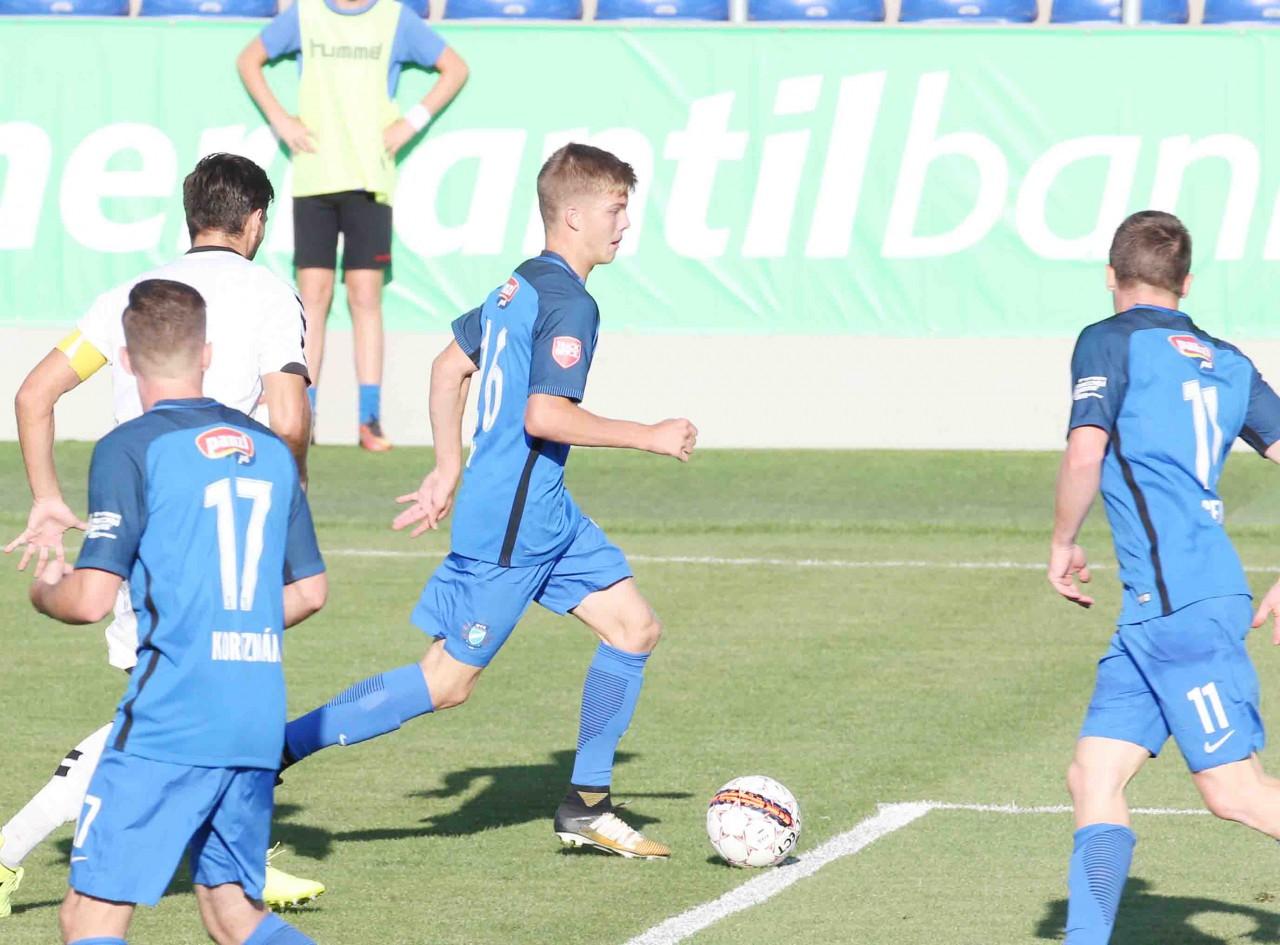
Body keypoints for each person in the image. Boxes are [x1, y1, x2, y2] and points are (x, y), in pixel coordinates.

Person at [276, 144, 698, 858]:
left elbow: (449, 368)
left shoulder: (518, 285)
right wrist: (648, 436)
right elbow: (544, 415)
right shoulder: (570, 302)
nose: (625, 224)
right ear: (572, 215)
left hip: (546, 512)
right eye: (616, 209)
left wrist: (448, 467)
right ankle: (271, 753)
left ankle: (587, 806)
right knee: (445, 682)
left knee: (634, 627)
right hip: (512, 523)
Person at [0, 153, 321, 916]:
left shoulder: (133, 296)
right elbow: (288, 417)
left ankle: (232, 856)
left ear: (191, 217)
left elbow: (34, 393)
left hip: (140, 514)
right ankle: (11, 849)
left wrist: (47, 497)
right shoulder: (271, 295)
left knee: (188, 693)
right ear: (256, 222)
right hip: (216, 523)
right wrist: (288, 497)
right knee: (166, 702)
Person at [1049, 210, 1280, 944]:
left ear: (1111, 275)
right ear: (1186, 282)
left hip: (1184, 609)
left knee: (1236, 792)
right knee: (1092, 775)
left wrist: (1062, 541)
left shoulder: (1109, 340)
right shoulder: (1228, 360)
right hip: (1158, 610)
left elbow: (1086, 452)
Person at [237, 0, 469, 451]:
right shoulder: (306, 14)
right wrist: (281, 120)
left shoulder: (394, 18)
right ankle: (305, 415)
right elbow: (249, 59)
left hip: (369, 181)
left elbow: (454, 68)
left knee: (365, 298)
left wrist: (410, 123)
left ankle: (369, 419)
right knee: (314, 298)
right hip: (315, 179)